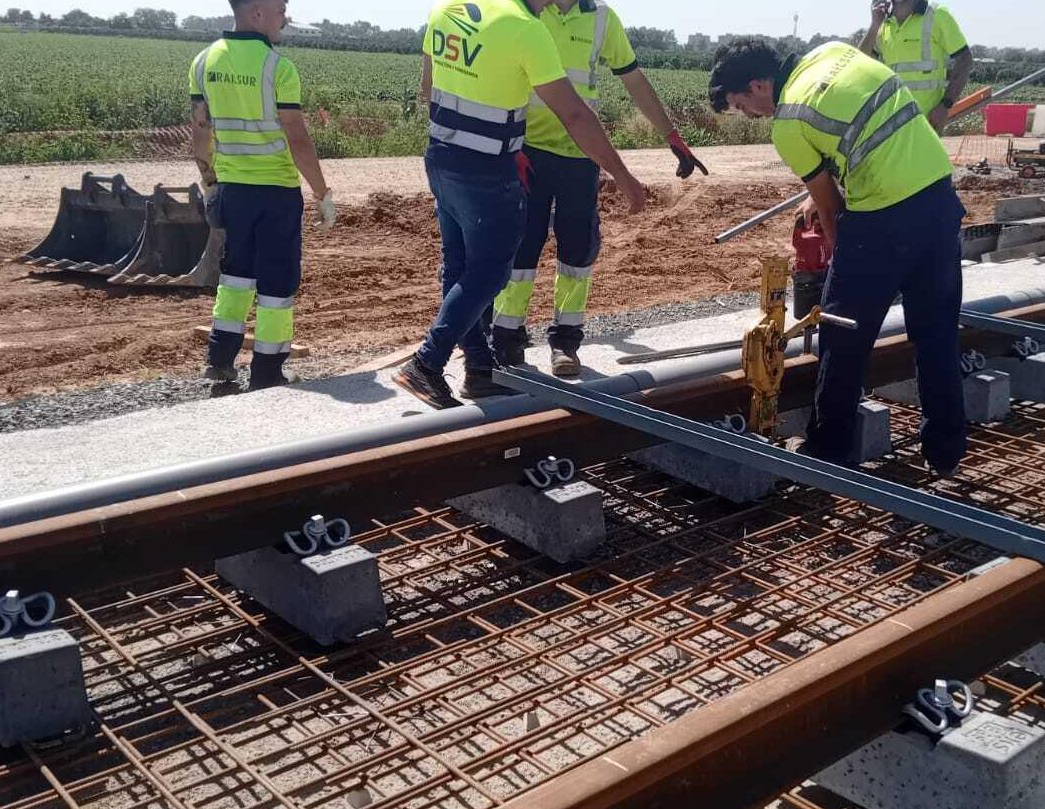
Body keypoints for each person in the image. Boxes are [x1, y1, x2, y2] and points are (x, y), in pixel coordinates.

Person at [709, 38, 968, 474]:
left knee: (842, 336)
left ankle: (828, 450)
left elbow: (830, 208)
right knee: (937, 334)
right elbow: (862, 134)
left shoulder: (787, 123)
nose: (750, 116)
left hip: (882, 221)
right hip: (939, 201)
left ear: (758, 85)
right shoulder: (835, 52)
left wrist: (840, 262)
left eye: (742, 106)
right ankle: (945, 451)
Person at [397, 0, 648, 409]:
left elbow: (428, 89)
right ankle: (427, 362)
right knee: (490, 272)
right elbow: (574, 114)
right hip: (489, 169)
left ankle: (480, 369)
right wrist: (621, 175)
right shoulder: (526, 29)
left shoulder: (445, 10)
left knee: (458, 267)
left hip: (442, 155)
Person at [488, 0, 708, 377]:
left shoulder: (602, 18)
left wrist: (670, 134)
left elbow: (634, 79)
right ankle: (506, 342)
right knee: (520, 246)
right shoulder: (523, 10)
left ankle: (565, 343)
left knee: (578, 249)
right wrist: (504, 142)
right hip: (524, 152)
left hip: (579, 153)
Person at [190, 0, 336, 391]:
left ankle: (220, 361)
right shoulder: (278, 68)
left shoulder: (204, 62)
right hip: (276, 194)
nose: (284, 20)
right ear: (256, 11)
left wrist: (210, 186)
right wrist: (322, 193)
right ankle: (268, 372)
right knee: (277, 285)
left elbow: (201, 135)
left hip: (232, 193)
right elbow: (298, 140)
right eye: (280, 10)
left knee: (235, 276)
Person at [858, 0, 974, 132]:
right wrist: (874, 24)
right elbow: (861, 61)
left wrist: (945, 105)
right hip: (890, 123)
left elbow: (965, 60)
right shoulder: (883, 23)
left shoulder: (937, 14)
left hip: (926, 122)